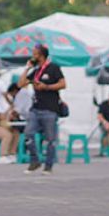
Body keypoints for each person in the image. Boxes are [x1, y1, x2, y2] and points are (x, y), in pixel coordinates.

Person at [19, 43, 66, 175]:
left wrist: (47, 87)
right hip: (35, 108)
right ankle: (35, 161)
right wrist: (27, 68)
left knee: (50, 140)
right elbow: (21, 84)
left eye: (35, 53)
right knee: (28, 134)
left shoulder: (53, 68)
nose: (32, 56)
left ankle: (48, 166)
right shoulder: (35, 71)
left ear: (41, 55)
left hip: (50, 109)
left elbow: (63, 84)